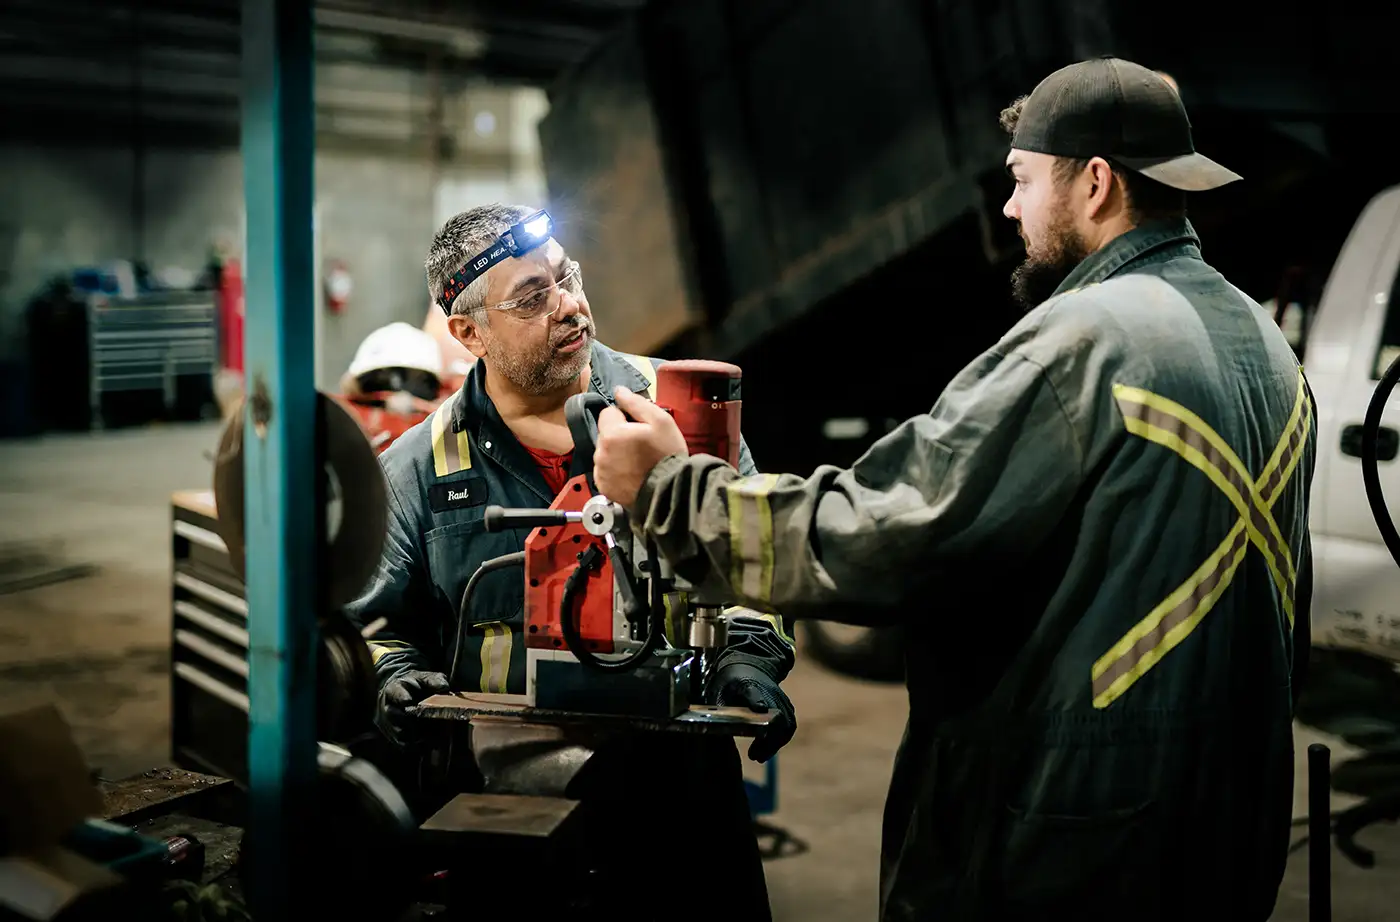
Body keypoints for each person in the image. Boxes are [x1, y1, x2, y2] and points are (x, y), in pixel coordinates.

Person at [592, 57, 1316, 922]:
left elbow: (880, 534)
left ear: (1093, 184)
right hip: (1229, 838)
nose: (1009, 207)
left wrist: (672, 492)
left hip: (1073, 850)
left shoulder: (1082, 342)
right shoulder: (1265, 344)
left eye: (1020, 179)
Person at [343, 203, 797, 918]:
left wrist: (747, 655)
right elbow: (370, 628)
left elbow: (757, 559)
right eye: (532, 296)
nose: (571, 306)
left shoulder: (678, 411)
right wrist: (394, 675)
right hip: (510, 818)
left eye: (568, 277)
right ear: (468, 334)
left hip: (681, 798)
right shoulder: (418, 469)